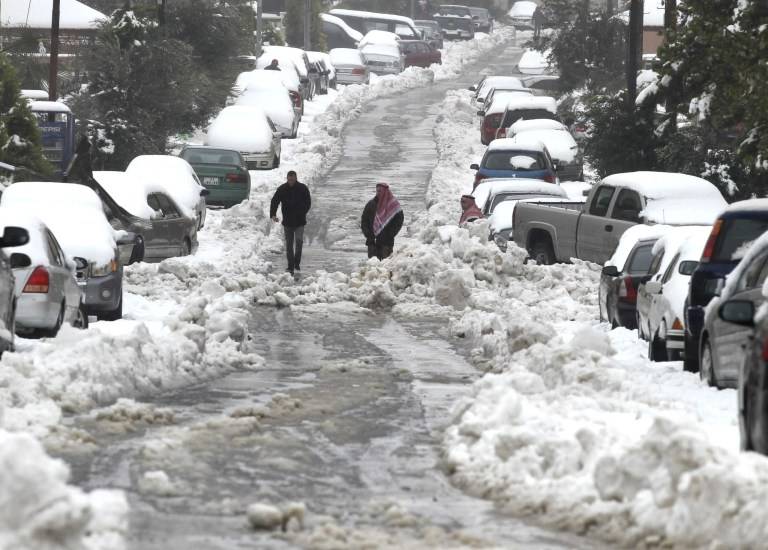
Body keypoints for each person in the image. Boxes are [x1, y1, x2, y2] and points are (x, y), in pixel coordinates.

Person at [270, 171, 311, 276]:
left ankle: (297, 262)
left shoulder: (302, 188)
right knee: (289, 245)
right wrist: (273, 214)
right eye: (289, 180)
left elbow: (308, 202)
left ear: (296, 178)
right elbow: (275, 201)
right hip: (287, 222)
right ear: (287, 179)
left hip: (299, 221)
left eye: (292, 180)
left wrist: (302, 212)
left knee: (299, 241)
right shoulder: (282, 189)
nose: (290, 182)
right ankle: (290, 266)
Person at [361, 183, 404, 260]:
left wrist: (390, 234)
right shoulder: (371, 204)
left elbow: (399, 221)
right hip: (372, 242)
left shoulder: (393, 205)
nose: (378, 193)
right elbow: (364, 220)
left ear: (386, 192)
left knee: (385, 264)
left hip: (386, 243)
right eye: (377, 191)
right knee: (373, 265)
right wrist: (368, 234)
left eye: (380, 191)